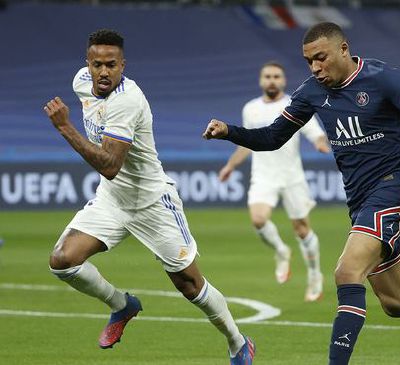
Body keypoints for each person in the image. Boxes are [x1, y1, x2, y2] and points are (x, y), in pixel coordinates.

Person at [204, 22, 400, 364]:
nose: (315, 68)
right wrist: (229, 132)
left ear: (343, 49)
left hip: (395, 187)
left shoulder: (383, 78)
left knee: (346, 271)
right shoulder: (311, 92)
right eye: (309, 61)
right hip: (360, 200)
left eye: (321, 58)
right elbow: (272, 137)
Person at [43, 29, 254, 365]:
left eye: (111, 65)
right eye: (97, 64)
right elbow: (111, 177)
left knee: (189, 285)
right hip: (112, 200)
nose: (103, 72)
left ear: (123, 65)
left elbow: (111, 165)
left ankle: (237, 341)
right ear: (87, 64)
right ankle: (122, 305)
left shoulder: (128, 100)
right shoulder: (81, 82)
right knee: (63, 261)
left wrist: (65, 128)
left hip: (153, 202)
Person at [219, 62, 329, 302]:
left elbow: (316, 132)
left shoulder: (296, 105)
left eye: (276, 76)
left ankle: (314, 275)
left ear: (283, 80)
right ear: (261, 81)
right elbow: (246, 142)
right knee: (258, 219)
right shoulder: (251, 109)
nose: (272, 80)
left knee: (302, 229)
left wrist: (321, 143)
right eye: (267, 76)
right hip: (263, 176)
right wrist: (230, 165)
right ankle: (281, 251)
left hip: (292, 177)